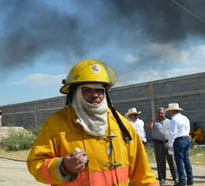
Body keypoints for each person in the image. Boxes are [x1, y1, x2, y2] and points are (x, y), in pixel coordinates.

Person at [26, 58, 159, 185]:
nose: (95, 94)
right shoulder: (56, 124)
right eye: (87, 90)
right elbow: (35, 164)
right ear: (75, 93)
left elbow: (143, 172)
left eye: (99, 90)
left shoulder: (121, 124)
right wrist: (63, 167)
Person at [147, 107, 177, 185]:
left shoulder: (170, 122)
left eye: (162, 113)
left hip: (168, 143)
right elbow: (148, 128)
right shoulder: (154, 122)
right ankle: (162, 179)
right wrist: (150, 122)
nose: (160, 114)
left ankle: (176, 178)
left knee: (172, 161)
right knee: (160, 162)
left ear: (165, 113)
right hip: (158, 144)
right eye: (159, 113)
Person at [166, 103, 193, 186]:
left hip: (179, 140)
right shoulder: (185, 118)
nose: (169, 112)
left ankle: (182, 181)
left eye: (170, 111)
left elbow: (172, 133)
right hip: (186, 138)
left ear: (172, 111)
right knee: (186, 160)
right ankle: (190, 179)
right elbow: (188, 129)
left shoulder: (174, 119)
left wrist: (170, 145)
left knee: (179, 161)